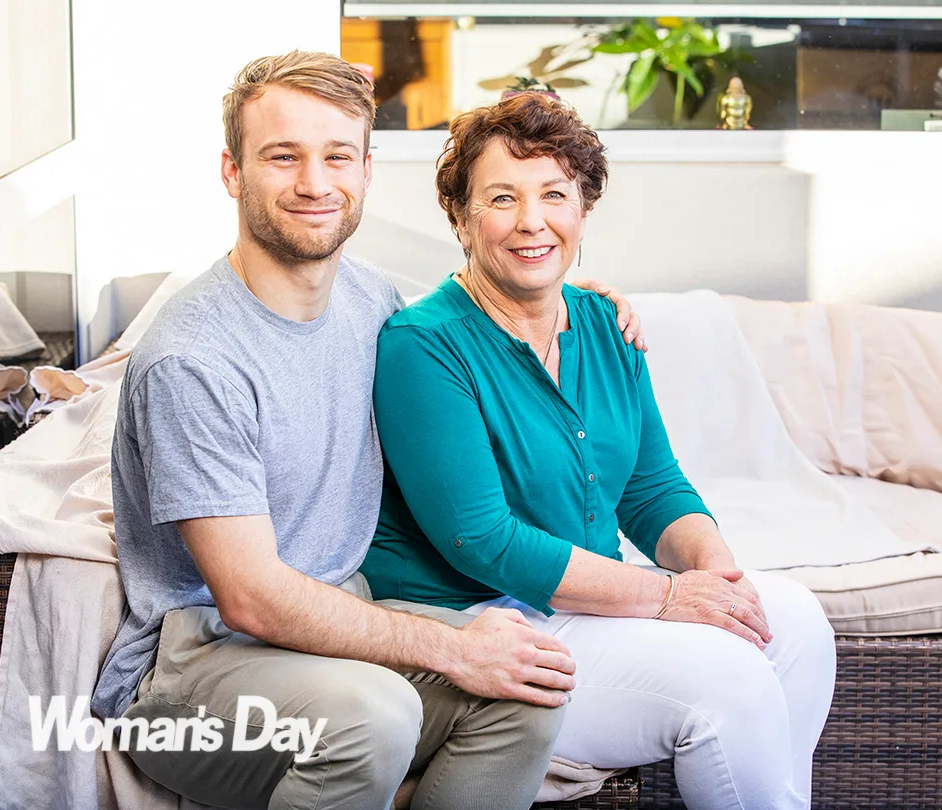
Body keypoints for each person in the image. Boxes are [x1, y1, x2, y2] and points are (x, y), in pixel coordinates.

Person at [90, 52, 644, 810]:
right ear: (231, 172)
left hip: (337, 616)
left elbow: (472, 307)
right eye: (283, 156)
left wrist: (565, 295)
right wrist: (454, 647)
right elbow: (250, 598)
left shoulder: (367, 299)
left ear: (366, 171)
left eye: (337, 156)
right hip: (197, 663)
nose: (315, 183)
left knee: (526, 685)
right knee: (371, 719)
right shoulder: (195, 359)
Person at [362, 93, 837, 810]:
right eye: (501, 198)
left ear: (582, 210)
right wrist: (671, 597)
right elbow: (483, 541)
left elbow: (651, 488)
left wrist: (716, 580)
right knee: (729, 688)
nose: (532, 221)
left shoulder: (605, 325)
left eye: (555, 194)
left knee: (795, 622)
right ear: (460, 218)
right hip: (487, 626)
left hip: (588, 602)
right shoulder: (424, 347)